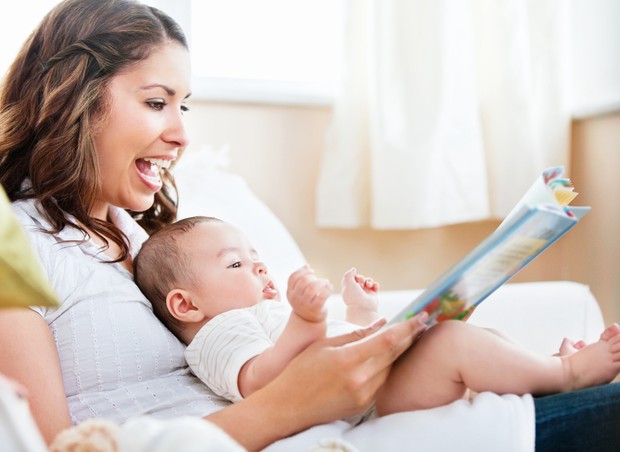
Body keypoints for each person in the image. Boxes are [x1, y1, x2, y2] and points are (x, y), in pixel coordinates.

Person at [0, 1, 619, 451]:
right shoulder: (15, 247)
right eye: (157, 102)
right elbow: (57, 448)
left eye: (182, 107)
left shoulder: (141, 236)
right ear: (73, 94)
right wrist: (293, 402)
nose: (182, 133)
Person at [134, 215, 620, 416]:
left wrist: (358, 310)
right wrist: (305, 321)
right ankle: (568, 371)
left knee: (468, 334)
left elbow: (340, 340)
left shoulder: (262, 312)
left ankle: (540, 370)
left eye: (256, 255)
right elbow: (261, 382)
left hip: (372, 373)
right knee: (453, 346)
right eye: (236, 263)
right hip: (367, 401)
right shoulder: (217, 334)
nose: (259, 266)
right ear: (186, 304)